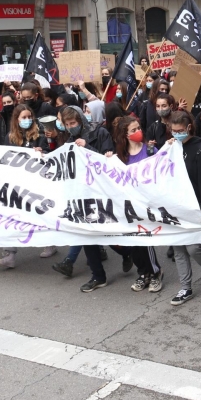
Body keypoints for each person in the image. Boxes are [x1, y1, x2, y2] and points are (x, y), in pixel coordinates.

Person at [51, 105, 129, 291]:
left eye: (73, 123)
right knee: (86, 235)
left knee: (104, 233)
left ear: (81, 120)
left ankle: (127, 251)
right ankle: (98, 276)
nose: (71, 127)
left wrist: (88, 148)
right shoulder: (70, 140)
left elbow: (108, 159)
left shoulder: (99, 132)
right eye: (67, 124)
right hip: (82, 192)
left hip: (101, 191)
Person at [165, 111, 201, 305]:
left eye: (180, 130)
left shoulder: (200, 151)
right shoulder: (172, 148)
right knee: (179, 248)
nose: (176, 134)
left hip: (195, 207)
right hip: (176, 207)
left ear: (189, 127)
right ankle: (185, 287)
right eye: (173, 131)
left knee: (193, 247)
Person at [108, 116, 164, 292]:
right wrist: (108, 160)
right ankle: (143, 273)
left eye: (138, 128)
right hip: (127, 205)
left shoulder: (150, 150)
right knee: (132, 241)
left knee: (145, 239)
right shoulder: (120, 157)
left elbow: (163, 170)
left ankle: (155, 272)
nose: (138, 132)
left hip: (146, 203)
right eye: (133, 130)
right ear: (125, 135)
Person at [0, 103, 49, 268]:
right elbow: (4, 157)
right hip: (17, 184)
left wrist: (42, 151)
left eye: (29, 117)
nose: (27, 120)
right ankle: (9, 254)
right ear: (16, 120)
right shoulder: (10, 137)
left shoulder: (40, 134)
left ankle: (50, 243)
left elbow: (49, 155)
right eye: (23, 117)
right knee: (10, 216)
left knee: (40, 215)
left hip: (36, 184)